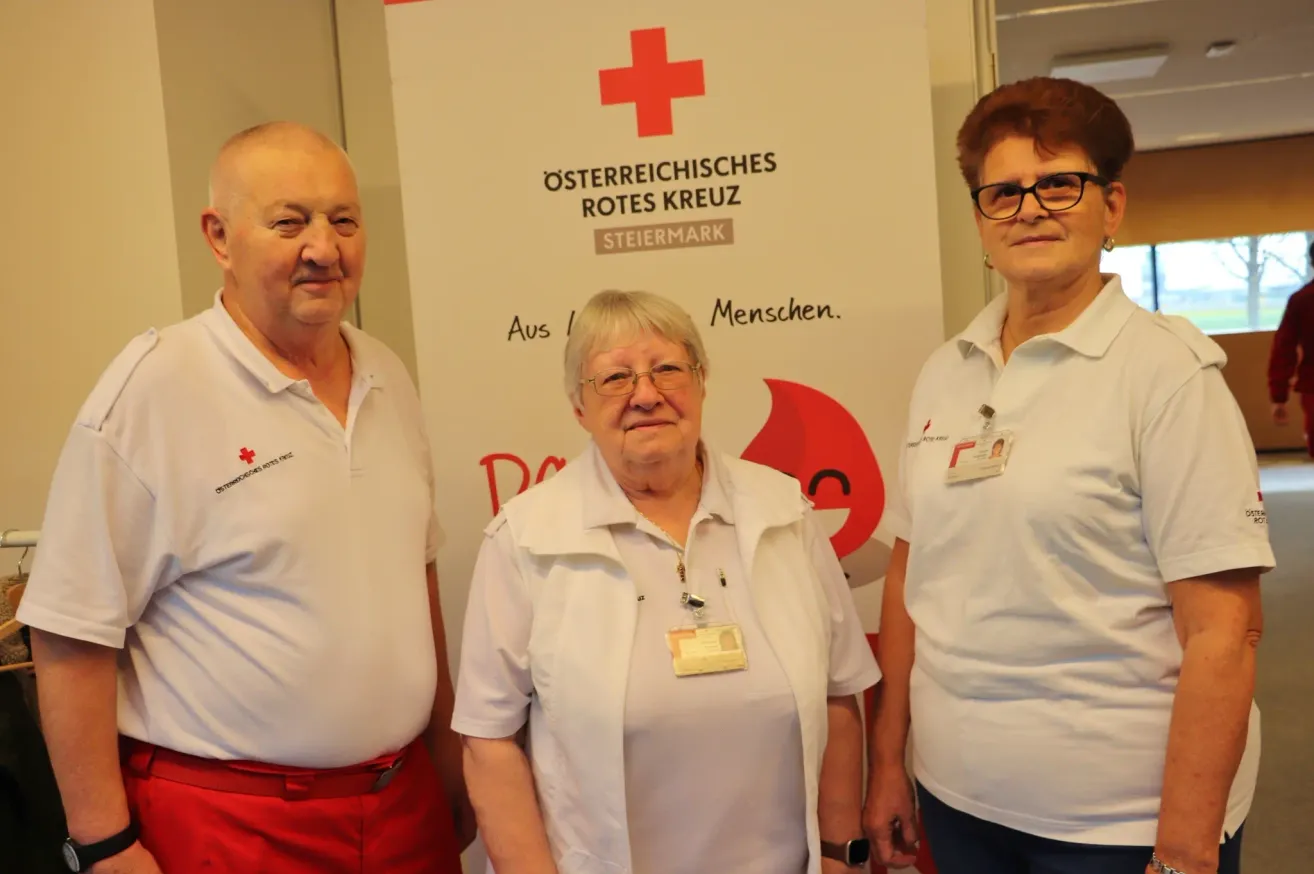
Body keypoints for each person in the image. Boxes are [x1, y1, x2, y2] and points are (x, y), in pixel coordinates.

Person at [18, 122, 472, 874]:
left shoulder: (387, 374)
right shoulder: (154, 389)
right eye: (290, 223)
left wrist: (447, 755)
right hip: (230, 825)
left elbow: (413, 578)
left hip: (401, 806)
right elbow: (70, 631)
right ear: (219, 237)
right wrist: (103, 843)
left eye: (344, 220)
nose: (324, 248)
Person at [864, 78, 1273, 874]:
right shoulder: (946, 372)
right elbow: (912, 574)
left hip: (1118, 827)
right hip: (958, 800)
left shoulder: (1167, 376)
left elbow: (1224, 632)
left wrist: (1184, 851)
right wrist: (888, 762)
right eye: (1003, 192)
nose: (1030, 209)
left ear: (1111, 207)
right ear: (981, 221)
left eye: (1059, 184)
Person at [453, 290, 881, 874]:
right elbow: (489, 742)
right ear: (579, 407)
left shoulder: (785, 513)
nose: (646, 395)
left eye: (668, 370)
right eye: (615, 378)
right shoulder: (524, 539)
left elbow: (839, 692)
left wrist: (837, 855)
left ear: (702, 382)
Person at [1267, 239, 1314, 457]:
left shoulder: (1302, 300)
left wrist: (1279, 396)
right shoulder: (1302, 300)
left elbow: (1284, 350)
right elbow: (1284, 348)